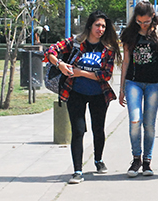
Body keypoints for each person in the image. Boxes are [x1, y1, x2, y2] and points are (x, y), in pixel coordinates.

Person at [45, 11, 122, 185]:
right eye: (97, 25)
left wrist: (81, 73)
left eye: (103, 26)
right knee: (78, 131)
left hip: (99, 94)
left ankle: (98, 160)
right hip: (74, 93)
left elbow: (105, 75)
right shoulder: (75, 43)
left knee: (98, 129)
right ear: (90, 26)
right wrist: (60, 64)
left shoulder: (107, 49)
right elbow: (50, 51)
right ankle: (77, 171)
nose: (100, 29)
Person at [119, 1, 158, 178]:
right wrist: (121, 88)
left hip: (155, 83)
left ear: (153, 17)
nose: (143, 25)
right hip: (133, 82)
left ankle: (147, 161)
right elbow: (125, 61)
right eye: (139, 22)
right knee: (135, 120)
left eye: (146, 22)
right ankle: (136, 158)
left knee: (149, 124)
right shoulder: (128, 33)